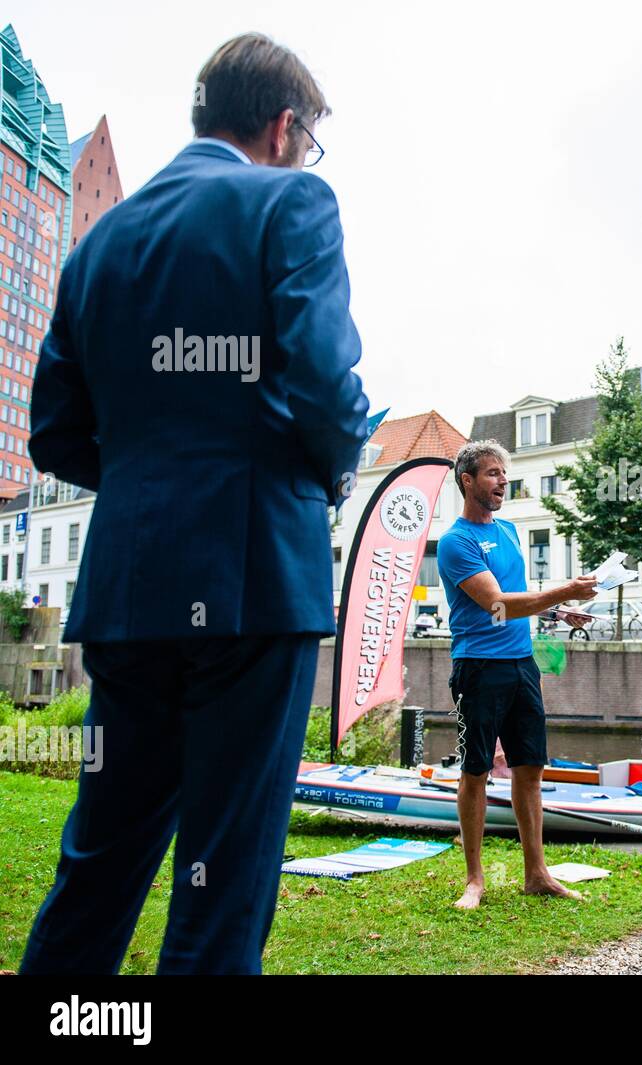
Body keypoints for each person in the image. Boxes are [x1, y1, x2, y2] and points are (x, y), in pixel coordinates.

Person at [20, 34, 369, 975]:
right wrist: (326, 474)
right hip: (254, 578)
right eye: (309, 139)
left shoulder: (99, 245)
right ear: (285, 126)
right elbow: (328, 390)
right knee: (222, 874)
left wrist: (148, 478)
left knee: (98, 863)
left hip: (129, 592)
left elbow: (52, 435)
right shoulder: (292, 200)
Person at [438, 440, 598, 910]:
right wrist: (565, 588)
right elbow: (499, 604)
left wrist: (559, 611)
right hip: (479, 668)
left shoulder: (509, 530)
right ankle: (474, 880)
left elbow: (520, 597)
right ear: (467, 481)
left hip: (521, 664)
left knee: (530, 767)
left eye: (504, 473)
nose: (502, 481)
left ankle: (536, 873)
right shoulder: (455, 541)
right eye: (492, 473)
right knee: (476, 770)